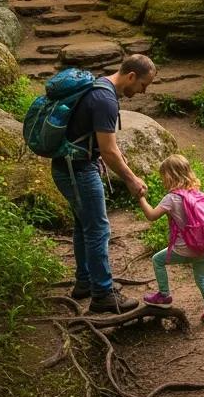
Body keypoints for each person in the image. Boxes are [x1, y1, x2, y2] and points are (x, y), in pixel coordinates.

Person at [53, 54, 155, 313]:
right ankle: (103, 294)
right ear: (131, 76)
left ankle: (85, 283)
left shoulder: (99, 87)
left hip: (67, 166)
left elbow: (105, 144)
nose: (144, 90)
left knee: (84, 225)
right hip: (79, 170)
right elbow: (108, 152)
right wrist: (131, 180)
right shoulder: (105, 99)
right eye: (144, 84)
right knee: (98, 229)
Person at [136, 155, 204, 325]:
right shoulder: (197, 193)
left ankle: (164, 295)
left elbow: (151, 215)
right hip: (203, 246)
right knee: (202, 279)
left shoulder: (172, 198)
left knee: (157, 260)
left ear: (169, 176)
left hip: (185, 248)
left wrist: (141, 198)